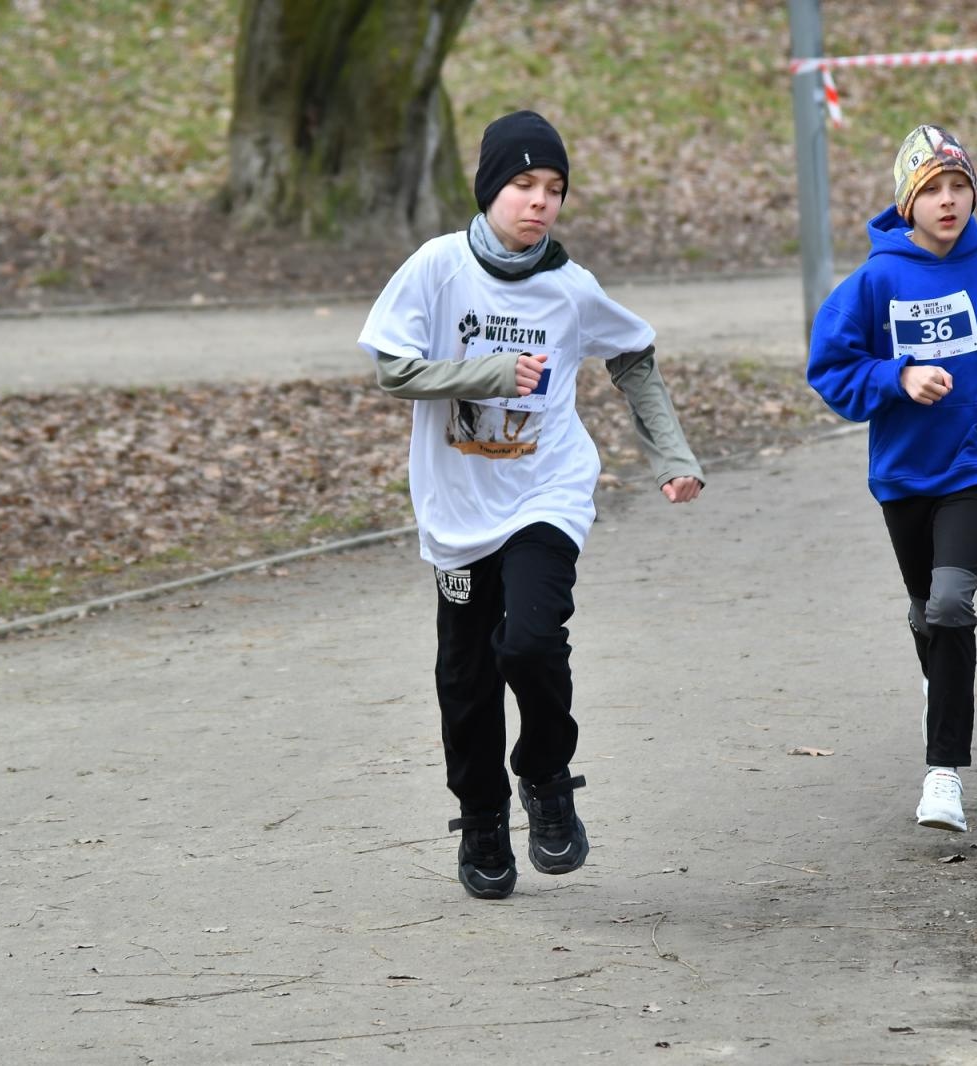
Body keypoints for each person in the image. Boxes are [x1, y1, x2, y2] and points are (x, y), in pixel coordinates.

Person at [357, 110, 705, 898]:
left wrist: (672, 455)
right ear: (489, 190)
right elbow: (392, 369)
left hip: (545, 493)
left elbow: (634, 358)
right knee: (467, 678)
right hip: (456, 508)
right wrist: (485, 373)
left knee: (532, 643)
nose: (539, 201)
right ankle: (482, 819)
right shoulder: (438, 268)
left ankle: (546, 776)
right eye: (522, 185)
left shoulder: (571, 288)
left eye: (553, 188)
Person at [805, 124, 977, 833]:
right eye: (932, 190)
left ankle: (943, 774)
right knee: (926, 609)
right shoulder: (875, 282)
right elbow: (829, 368)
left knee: (950, 604)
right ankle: (940, 687)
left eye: (959, 187)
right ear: (907, 203)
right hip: (905, 474)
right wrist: (898, 375)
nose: (948, 201)